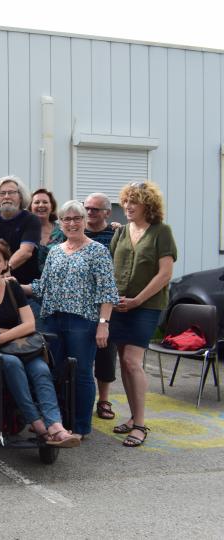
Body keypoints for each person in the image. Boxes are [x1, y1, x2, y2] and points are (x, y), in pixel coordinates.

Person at [0, 238, 81, 448]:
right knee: (11, 364)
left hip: (14, 344)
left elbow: (29, 324)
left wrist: (2, 336)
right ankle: (38, 425)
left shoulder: (12, 286)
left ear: (5, 264)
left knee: (41, 369)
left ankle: (56, 426)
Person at [21, 200, 119, 440]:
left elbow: (107, 291)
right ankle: (56, 422)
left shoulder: (97, 251)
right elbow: (42, 287)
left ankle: (80, 426)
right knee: (53, 373)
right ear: (60, 223)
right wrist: (12, 286)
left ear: (85, 221)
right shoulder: (55, 251)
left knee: (82, 374)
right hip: (52, 321)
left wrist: (103, 324)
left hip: (82, 323)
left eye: (77, 218)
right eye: (67, 219)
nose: (72, 223)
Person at [109, 181, 176, 447]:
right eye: (126, 201)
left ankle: (139, 425)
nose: (127, 206)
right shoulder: (122, 232)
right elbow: (109, 268)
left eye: (133, 202)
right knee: (124, 361)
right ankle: (133, 416)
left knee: (132, 360)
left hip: (146, 306)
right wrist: (112, 299)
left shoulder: (162, 232)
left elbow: (165, 274)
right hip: (119, 305)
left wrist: (137, 300)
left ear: (148, 205)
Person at [83, 192, 119, 419]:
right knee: (83, 354)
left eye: (95, 209)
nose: (89, 212)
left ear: (107, 212)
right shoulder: (79, 231)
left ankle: (104, 400)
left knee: (106, 352)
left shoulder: (116, 233)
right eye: (86, 208)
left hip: (106, 301)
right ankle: (82, 399)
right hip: (81, 302)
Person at [29, 188, 66, 276]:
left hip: (57, 283)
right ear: (30, 207)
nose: (41, 205)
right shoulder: (23, 230)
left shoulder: (62, 231)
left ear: (51, 207)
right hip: (27, 283)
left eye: (45, 202)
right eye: (37, 202)